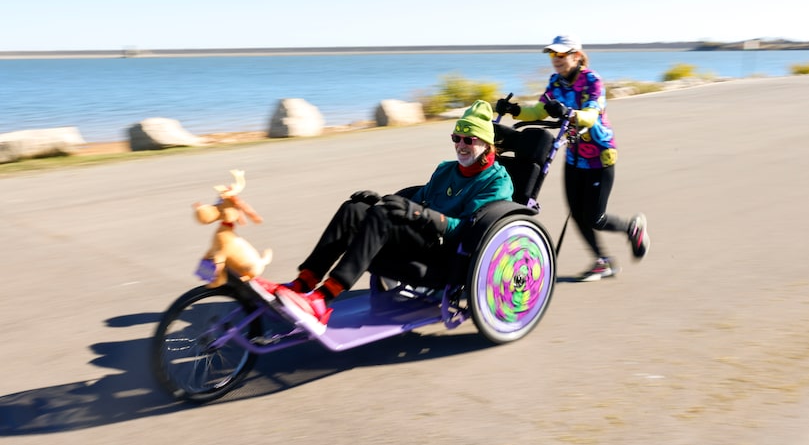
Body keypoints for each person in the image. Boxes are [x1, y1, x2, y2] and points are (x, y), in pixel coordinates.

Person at [258, 100, 514, 334]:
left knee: (382, 218)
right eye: (456, 137)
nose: (461, 145)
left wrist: (418, 214)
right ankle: (304, 283)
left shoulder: (496, 183)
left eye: (469, 140)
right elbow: (421, 198)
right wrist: (380, 201)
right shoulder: (446, 169)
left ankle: (322, 299)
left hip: (445, 252)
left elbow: (468, 228)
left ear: (485, 143)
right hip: (420, 236)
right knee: (354, 209)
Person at [496, 35, 650, 282]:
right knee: (576, 213)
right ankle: (603, 262)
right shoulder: (556, 82)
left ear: (576, 55)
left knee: (594, 217)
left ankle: (632, 228)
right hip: (574, 157)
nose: (555, 59)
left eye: (560, 54)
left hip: (600, 156)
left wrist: (568, 112)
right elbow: (539, 109)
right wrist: (513, 109)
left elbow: (590, 115)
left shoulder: (592, 80)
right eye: (552, 55)